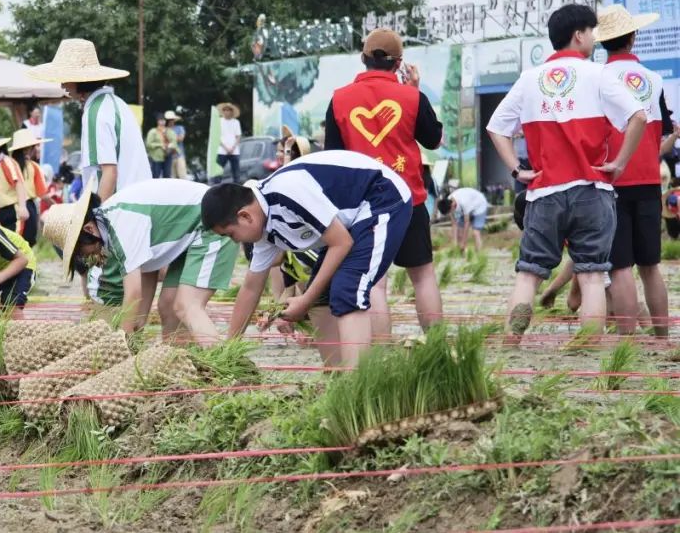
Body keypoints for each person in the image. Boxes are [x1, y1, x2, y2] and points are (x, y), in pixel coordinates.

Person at [486, 3, 647, 341]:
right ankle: (588, 344)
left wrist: (516, 169)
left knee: (528, 274)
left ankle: (512, 339)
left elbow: (496, 128)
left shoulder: (529, 79)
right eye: (591, 32)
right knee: (591, 276)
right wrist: (619, 163)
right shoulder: (598, 74)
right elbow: (639, 116)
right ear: (579, 35)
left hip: (544, 193)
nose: (594, 38)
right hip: (592, 191)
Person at [201, 151, 413, 366]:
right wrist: (229, 349)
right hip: (349, 222)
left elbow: (341, 242)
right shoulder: (265, 229)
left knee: (348, 288)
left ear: (245, 216)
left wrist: (305, 300)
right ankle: (336, 374)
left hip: (380, 196)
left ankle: (357, 379)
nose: (235, 242)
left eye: (231, 234)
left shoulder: (286, 193)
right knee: (321, 300)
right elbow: (250, 288)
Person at [324, 28, 444, 334]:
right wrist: (416, 90)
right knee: (423, 276)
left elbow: (333, 158)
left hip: (363, 205)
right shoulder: (412, 97)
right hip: (409, 199)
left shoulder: (339, 99)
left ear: (363, 58)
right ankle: (437, 347)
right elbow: (434, 139)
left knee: (375, 283)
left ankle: (380, 353)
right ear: (399, 63)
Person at [45, 179, 238, 345]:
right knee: (168, 306)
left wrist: (123, 341)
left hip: (213, 223)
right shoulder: (109, 224)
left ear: (88, 229)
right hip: (188, 237)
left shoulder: (120, 224)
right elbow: (148, 268)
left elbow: (134, 292)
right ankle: (182, 368)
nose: (85, 256)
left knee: (186, 305)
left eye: (80, 251)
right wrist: (138, 321)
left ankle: (222, 365)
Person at [596, 4, 675, 337]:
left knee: (620, 267)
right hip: (648, 180)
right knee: (650, 266)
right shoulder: (654, 80)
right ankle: (663, 338)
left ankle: (627, 343)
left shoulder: (599, 78)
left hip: (611, 180)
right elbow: (661, 132)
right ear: (633, 37)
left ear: (602, 42)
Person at [28, 38, 151, 201]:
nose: (62, 85)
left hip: (121, 207)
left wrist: (96, 214)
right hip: (138, 201)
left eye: (65, 78)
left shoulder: (95, 112)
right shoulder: (116, 103)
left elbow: (109, 172)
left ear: (79, 79)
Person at [10, 128, 51, 246]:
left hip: (9, 209)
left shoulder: (8, 165)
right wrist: (56, 205)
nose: (36, 149)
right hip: (28, 208)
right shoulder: (34, 167)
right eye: (34, 146)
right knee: (27, 244)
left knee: (12, 243)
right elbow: (43, 195)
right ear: (28, 149)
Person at [438, 187, 488, 252]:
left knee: (475, 232)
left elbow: (467, 223)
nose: (450, 213)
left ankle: (479, 253)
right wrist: (454, 242)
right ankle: (461, 252)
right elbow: (454, 224)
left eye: (450, 211)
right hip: (466, 209)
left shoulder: (463, 202)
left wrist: (463, 242)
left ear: (452, 205)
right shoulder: (448, 203)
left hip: (479, 205)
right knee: (460, 231)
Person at [216, 103, 243, 183]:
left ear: (232, 112)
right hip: (222, 151)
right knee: (218, 173)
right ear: (223, 111)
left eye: (229, 110)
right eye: (225, 110)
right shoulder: (219, 121)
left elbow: (238, 136)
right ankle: (217, 188)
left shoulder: (236, 122)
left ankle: (236, 189)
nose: (227, 112)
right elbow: (216, 137)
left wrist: (233, 148)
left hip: (234, 151)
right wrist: (226, 148)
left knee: (236, 174)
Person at [167, 111, 188, 179]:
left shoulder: (179, 128)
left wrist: (170, 139)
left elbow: (181, 138)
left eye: (172, 119)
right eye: (169, 119)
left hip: (179, 155)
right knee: (172, 178)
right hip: (169, 157)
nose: (171, 121)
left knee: (183, 177)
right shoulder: (165, 130)